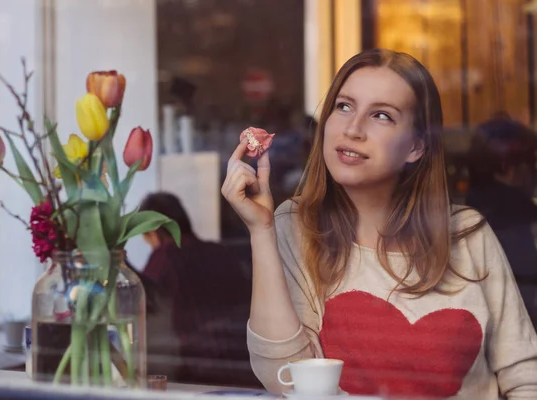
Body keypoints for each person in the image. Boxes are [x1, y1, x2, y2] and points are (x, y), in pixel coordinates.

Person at [221, 48, 537, 398]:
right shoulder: (295, 225)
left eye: (382, 115)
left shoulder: (466, 234)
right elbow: (283, 380)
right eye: (344, 106)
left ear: (416, 146)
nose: (353, 129)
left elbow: (525, 374)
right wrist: (260, 231)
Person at [137, 192, 257, 386]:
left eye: (146, 237)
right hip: (243, 363)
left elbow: (143, 308)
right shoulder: (220, 252)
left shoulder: (164, 258)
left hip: (195, 369)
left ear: (154, 231)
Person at [465, 116, 537, 326]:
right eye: (531, 162)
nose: (534, 173)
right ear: (506, 167)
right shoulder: (518, 218)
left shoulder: (465, 215)